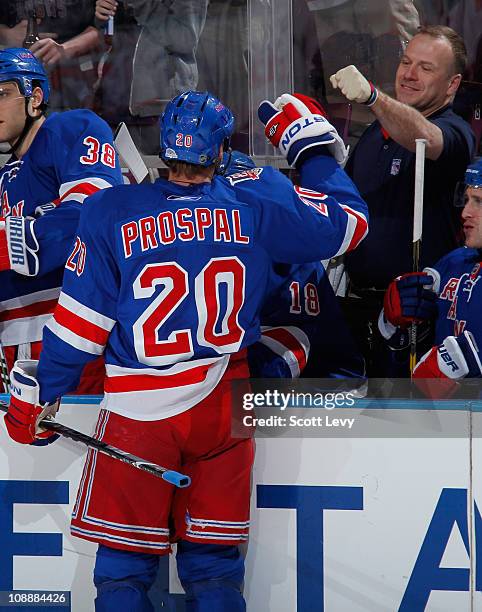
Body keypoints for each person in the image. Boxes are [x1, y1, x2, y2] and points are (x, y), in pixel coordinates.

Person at [3, 90, 368, 611]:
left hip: (139, 413)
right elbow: (350, 222)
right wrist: (310, 149)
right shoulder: (256, 198)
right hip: (223, 404)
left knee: (124, 572)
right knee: (215, 569)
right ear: (219, 152)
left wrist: (42, 395)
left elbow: (79, 330)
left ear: (163, 148)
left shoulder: (112, 210)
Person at [329, 25, 476, 376]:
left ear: (452, 85)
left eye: (426, 68)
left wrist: (372, 98)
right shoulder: (371, 137)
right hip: (357, 308)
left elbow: (426, 137)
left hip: (417, 321)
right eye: (406, 62)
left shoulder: (456, 132)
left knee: (406, 426)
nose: (409, 74)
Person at [0, 47, 123, 391]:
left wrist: (14, 239)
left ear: (35, 96)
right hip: (15, 346)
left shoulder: (72, 129)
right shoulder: (4, 178)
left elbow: (90, 215)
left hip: (74, 339)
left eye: (2, 93)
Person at [379, 158, 482, 394]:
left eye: (479, 202)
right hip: (429, 418)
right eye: (466, 200)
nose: (465, 212)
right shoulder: (452, 263)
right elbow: (405, 356)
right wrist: (394, 325)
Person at [0, 1, 102, 111]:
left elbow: (103, 29)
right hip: (14, 70)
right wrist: (6, 34)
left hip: (74, 76)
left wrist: (65, 49)